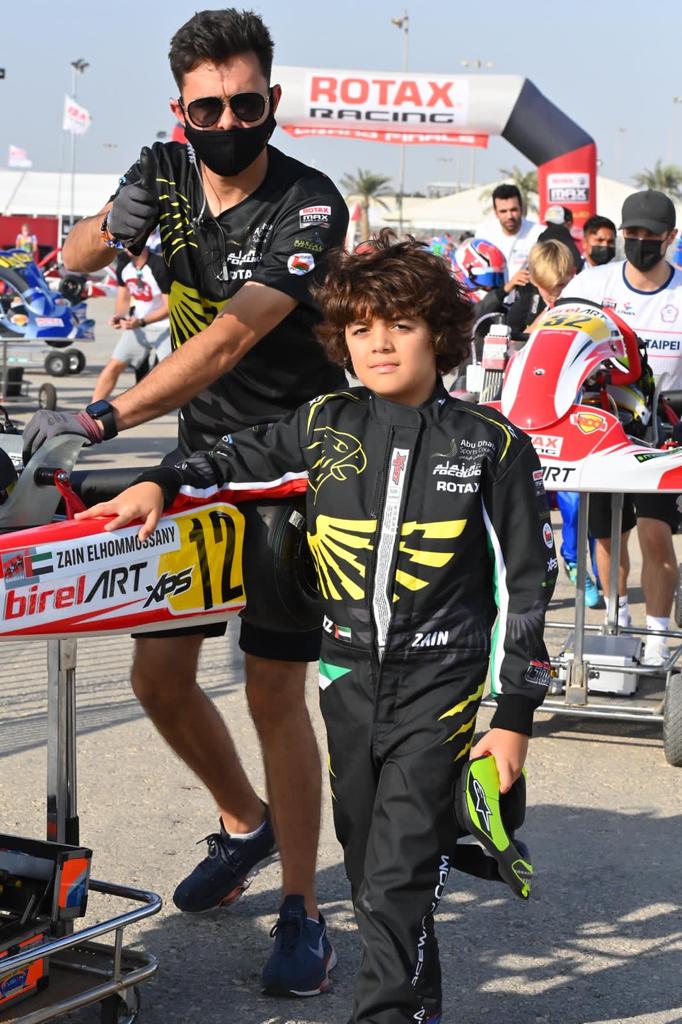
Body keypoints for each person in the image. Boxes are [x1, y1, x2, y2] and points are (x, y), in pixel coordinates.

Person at [74, 232, 558, 1024]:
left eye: (399, 325)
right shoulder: (325, 423)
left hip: (441, 687)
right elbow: (231, 458)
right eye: (361, 328)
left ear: (439, 332)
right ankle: (417, 1001)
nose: (379, 343)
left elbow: (527, 586)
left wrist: (513, 719)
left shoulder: (491, 445)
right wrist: (161, 481)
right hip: (345, 681)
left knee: (398, 875)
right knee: (371, 871)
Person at [23, 7, 349, 994]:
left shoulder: (311, 203)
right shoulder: (162, 172)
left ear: (272, 100)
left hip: (291, 469)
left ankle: (303, 908)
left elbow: (230, 339)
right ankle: (247, 824)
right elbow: (74, 262)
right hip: (198, 466)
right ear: (181, 109)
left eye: (246, 104)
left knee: (272, 690)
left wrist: (107, 415)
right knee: (157, 680)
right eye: (207, 108)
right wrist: (104, 225)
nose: (228, 122)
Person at [564, 189, 682, 665]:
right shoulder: (593, 284)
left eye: (650, 235)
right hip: (602, 427)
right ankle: (616, 617)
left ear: (670, 238)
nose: (639, 242)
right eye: (631, 233)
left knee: (655, 534)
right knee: (608, 536)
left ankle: (657, 636)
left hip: (664, 431)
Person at [92, 247, 171, 400]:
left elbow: (169, 307)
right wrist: (119, 317)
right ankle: (92, 408)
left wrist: (142, 321)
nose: (125, 245)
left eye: (131, 240)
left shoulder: (158, 265)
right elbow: (123, 298)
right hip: (138, 326)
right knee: (113, 367)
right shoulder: (123, 262)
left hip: (165, 328)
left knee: (171, 374)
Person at [476, 183, 543, 291]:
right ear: (496, 213)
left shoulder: (539, 233)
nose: (509, 216)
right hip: (494, 296)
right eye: (503, 211)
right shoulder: (484, 233)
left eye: (513, 210)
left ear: (521, 209)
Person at [538, 205, 582, 272]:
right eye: (550, 225)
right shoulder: (542, 239)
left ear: (569, 224)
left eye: (558, 226)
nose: (552, 229)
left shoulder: (581, 245)